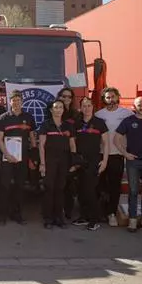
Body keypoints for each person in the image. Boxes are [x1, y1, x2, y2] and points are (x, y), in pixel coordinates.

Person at [114, 96, 142, 233]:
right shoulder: (128, 121)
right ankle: (132, 219)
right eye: (140, 105)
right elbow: (116, 138)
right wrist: (125, 154)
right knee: (133, 191)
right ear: (134, 107)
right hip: (134, 162)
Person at [0, 90, 36, 225]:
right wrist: (6, 154)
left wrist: (33, 155)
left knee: (20, 187)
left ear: (22, 102)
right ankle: (2, 215)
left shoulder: (29, 117)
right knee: (4, 186)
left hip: (22, 158)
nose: (16, 103)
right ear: (10, 102)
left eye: (18, 100)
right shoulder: (3, 118)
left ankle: (17, 214)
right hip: (7, 157)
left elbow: (32, 138)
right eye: (14, 100)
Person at [95, 87, 133, 227]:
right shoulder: (99, 114)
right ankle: (99, 211)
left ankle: (111, 213)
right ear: (104, 99)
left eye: (113, 97)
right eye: (107, 97)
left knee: (114, 186)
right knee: (99, 185)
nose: (110, 100)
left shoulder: (127, 114)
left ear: (118, 97)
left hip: (117, 154)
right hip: (101, 154)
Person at [39, 100, 78, 229]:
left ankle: (59, 218)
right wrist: (43, 163)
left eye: (61, 107)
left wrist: (73, 161)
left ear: (63, 110)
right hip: (50, 160)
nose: (58, 109)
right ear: (51, 110)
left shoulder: (68, 126)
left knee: (60, 189)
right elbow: (41, 146)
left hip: (64, 160)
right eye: (56, 107)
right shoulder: (46, 125)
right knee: (49, 188)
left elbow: (72, 145)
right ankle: (48, 218)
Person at [72, 97, 109, 231]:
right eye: (84, 106)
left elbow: (105, 144)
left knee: (90, 190)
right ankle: (83, 216)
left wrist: (104, 161)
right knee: (81, 190)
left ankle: (94, 219)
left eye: (89, 105)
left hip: (94, 161)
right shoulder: (77, 123)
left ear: (93, 107)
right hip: (79, 161)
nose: (86, 108)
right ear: (80, 108)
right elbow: (73, 142)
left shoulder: (99, 123)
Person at [57, 87, 81, 219]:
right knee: (57, 184)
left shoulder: (76, 115)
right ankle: (56, 210)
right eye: (63, 96)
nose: (66, 99)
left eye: (69, 97)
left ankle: (68, 211)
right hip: (55, 152)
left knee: (69, 184)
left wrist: (75, 155)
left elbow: (78, 134)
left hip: (70, 152)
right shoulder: (53, 111)